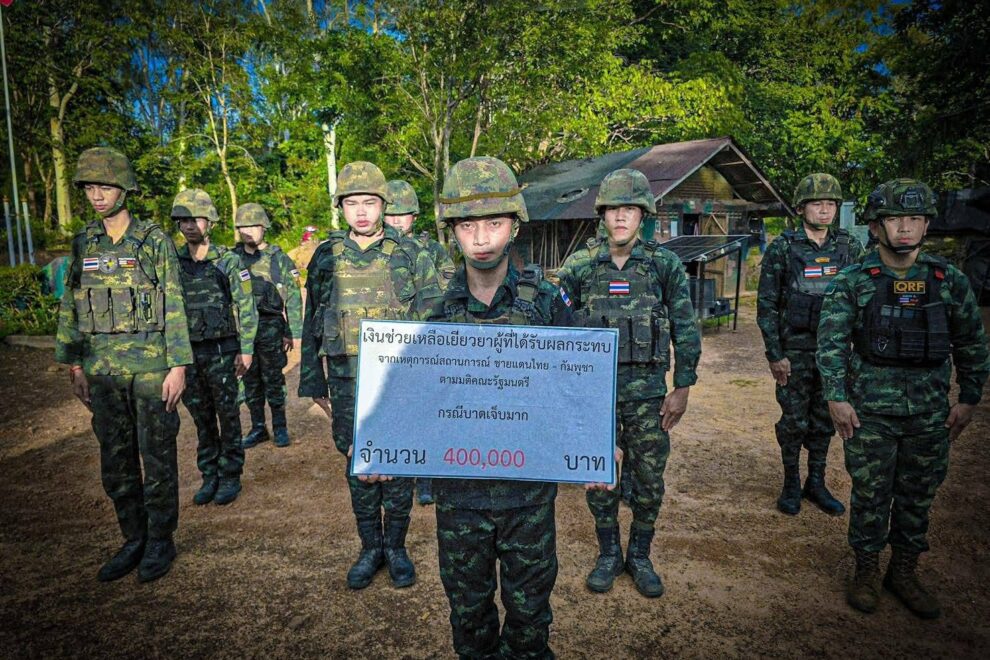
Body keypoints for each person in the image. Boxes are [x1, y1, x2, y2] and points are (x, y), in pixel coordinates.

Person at [817, 178, 989, 619]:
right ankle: (867, 570)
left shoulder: (947, 280)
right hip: (870, 413)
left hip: (929, 413)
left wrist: (969, 398)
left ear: (927, 224)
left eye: (915, 218)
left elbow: (971, 342)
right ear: (877, 226)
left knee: (917, 496)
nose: (905, 227)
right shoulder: (854, 281)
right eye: (895, 219)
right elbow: (831, 343)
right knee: (871, 495)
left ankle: (905, 571)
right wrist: (836, 398)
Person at [428, 156, 572, 658]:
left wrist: (599, 445)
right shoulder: (431, 310)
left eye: (494, 223)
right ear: (453, 231)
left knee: (530, 617)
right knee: (469, 616)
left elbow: (577, 386)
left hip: (528, 496)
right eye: (468, 225)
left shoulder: (548, 301)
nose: (481, 238)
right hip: (459, 497)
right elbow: (410, 398)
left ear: (515, 225)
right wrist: (382, 446)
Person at [556, 168, 701, 598]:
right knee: (600, 477)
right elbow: (559, 328)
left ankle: (639, 555)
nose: (621, 217)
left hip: (649, 396)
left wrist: (683, 386)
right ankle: (608, 554)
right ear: (602, 214)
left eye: (630, 209)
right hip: (595, 396)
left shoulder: (663, 265)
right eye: (613, 209)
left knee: (650, 480)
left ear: (643, 214)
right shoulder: (580, 266)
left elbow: (685, 327)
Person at [299, 161, 442, 590]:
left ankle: (396, 548)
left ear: (383, 204)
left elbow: (434, 323)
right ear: (341, 207)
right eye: (352, 203)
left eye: (369, 202)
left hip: (400, 383)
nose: (361, 212)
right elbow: (312, 320)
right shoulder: (326, 257)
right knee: (357, 462)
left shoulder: (411, 254)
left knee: (397, 465)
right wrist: (313, 380)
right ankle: (370, 547)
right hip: (346, 381)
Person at [55, 147, 191, 582]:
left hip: (150, 371)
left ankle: (160, 539)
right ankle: (133, 538)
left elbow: (174, 303)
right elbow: (72, 304)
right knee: (115, 461)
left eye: (105, 187)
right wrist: (75, 365)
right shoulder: (84, 242)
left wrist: (178, 366)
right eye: (90, 188)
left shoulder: (153, 241)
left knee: (158, 458)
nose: (97, 196)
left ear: (124, 189)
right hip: (103, 372)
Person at [757, 173, 865, 516]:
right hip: (795, 352)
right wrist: (775, 354)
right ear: (801, 208)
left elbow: (863, 299)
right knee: (793, 421)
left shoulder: (850, 247)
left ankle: (816, 482)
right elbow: (767, 304)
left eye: (831, 203)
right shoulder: (783, 248)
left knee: (823, 420)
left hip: (834, 354)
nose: (825, 209)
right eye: (817, 203)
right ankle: (791, 482)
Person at [172, 189, 258, 505]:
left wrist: (246, 349)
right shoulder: (173, 262)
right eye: (183, 220)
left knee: (228, 415)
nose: (189, 226)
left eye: (196, 219)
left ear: (210, 222)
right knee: (202, 418)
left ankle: (231, 474)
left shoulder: (228, 261)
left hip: (222, 352)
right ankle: (209, 475)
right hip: (189, 354)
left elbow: (246, 306)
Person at [383, 178, 455, 506]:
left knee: (428, 410)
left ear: (414, 216)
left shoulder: (433, 250)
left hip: (423, 341)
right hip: (388, 345)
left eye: (403, 215)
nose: (397, 221)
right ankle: (400, 469)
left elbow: (447, 291)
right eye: (391, 214)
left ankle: (426, 476)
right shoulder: (380, 252)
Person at [234, 204, 303, 448]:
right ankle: (258, 427)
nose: (248, 231)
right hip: (243, 331)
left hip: (270, 327)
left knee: (273, 378)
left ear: (264, 227)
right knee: (249, 381)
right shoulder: (232, 259)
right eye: (243, 226)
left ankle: (280, 427)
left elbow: (293, 297)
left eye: (254, 226)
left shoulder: (278, 259)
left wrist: (293, 331)